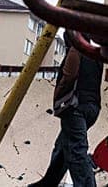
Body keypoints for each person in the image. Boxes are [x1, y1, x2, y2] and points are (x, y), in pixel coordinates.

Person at [28, 44, 102, 187]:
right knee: (63, 146)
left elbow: (69, 75)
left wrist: (59, 95)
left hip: (75, 106)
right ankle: (48, 182)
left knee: (76, 150)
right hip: (92, 107)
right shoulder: (95, 54)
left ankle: (86, 185)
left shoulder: (76, 49)